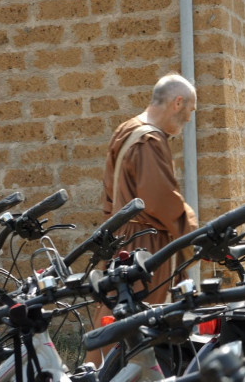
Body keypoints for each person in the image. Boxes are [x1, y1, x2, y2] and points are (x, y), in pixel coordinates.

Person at [87, 72, 198, 366]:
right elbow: (160, 200)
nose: (188, 120)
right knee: (145, 325)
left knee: (116, 316)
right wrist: (194, 233)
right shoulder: (149, 139)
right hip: (147, 247)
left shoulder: (127, 129)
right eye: (189, 111)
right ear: (177, 103)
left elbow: (109, 196)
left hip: (123, 239)